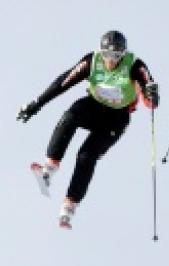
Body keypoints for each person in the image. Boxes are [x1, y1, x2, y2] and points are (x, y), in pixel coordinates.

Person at [17, 30, 159, 229]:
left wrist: (152, 94)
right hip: (93, 107)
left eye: (116, 57)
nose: (111, 61)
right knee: (70, 116)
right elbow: (63, 82)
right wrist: (36, 104)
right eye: (107, 55)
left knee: (86, 155)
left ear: (122, 55)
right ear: (101, 52)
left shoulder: (135, 65)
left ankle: (69, 206)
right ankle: (49, 169)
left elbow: (151, 99)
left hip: (116, 118)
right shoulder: (92, 61)